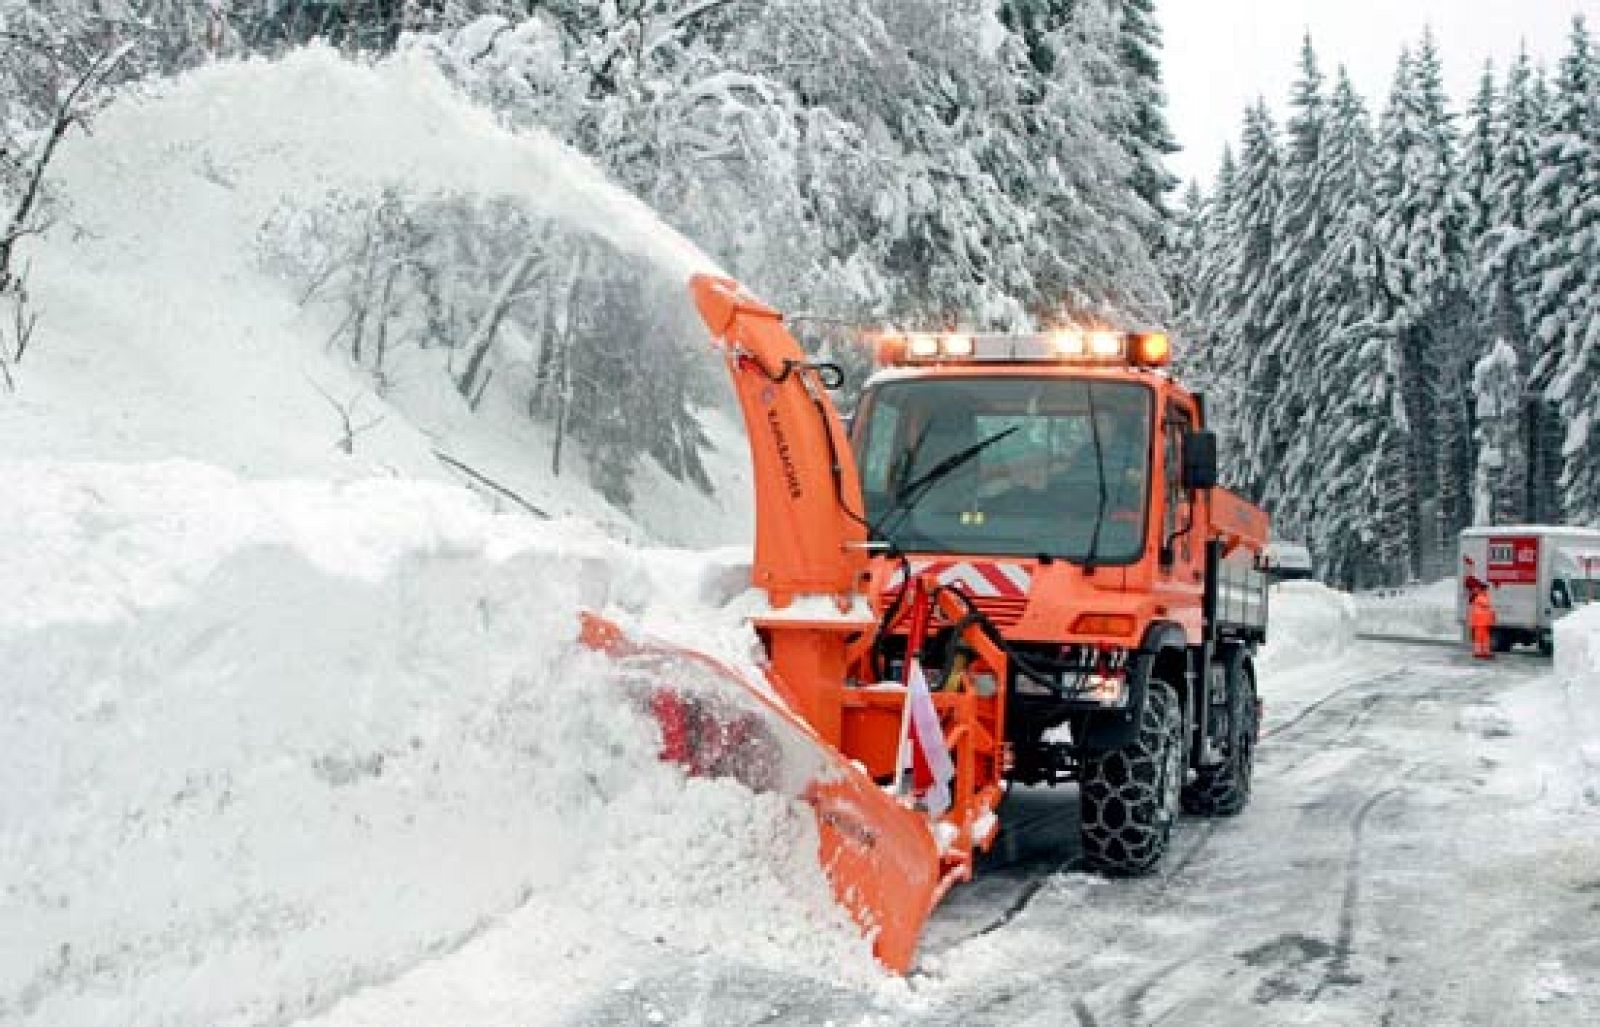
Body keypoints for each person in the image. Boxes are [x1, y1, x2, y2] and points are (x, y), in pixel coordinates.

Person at [1468, 584, 1496, 659]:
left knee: (1484, 637)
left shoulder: (1481, 597)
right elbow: (1486, 605)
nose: (1488, 591)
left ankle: (1483, 651)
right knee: (1480, 637)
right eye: (1487, 589)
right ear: (1483, 589)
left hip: (1482, 622)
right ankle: (1479, 652)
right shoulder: (1481, 597)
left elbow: (1487, 609)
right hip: (1480, 622)